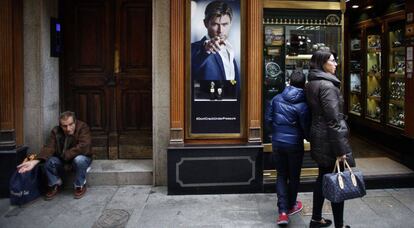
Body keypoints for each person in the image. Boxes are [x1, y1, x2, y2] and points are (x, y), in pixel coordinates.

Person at [305, 50, 352, 228]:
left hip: (319, 135)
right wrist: (341, 150)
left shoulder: (312, 83)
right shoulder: (327, 86)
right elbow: (333, 120)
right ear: (322, 63)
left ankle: (316, 218)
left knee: (323, 177)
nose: (336, 64)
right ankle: (339, 225)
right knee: (337, 180)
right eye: (332, 61)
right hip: (329, 140)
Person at [265, 71, 310, 225]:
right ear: (304, 85)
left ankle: (283, 212)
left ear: (289, 82)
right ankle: (291, 205)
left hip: (278, 142)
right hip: (295, 145)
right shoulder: (303, 104)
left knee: (281, 175)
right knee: (294, 176)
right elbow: (305, 127)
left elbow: (268, 120)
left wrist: (274, 134)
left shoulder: (276, 99)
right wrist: (309, 138)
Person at [17, 111, 93, 200]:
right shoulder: (56, 131)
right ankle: (54, 183)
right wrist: (35, 161)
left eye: (71, 124)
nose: (68, 128)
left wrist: (64, 155)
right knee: (49, 161)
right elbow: (49, 147)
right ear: (60, 125)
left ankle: (79, 184)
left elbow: (84, 146)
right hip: (62, 159)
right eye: (64, 126)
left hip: (79, 157)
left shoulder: (83, 127)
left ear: (75, 122)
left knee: (79, 160)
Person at [191, 0, 240, 99]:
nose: (220, 30)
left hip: (229, 109)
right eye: (215, 24)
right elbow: (192, 67)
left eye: (225, 24)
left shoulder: (230, 50)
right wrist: (206, 50)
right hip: (206, 110)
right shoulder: (194, 49)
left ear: (230, 24)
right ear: (206, 23)